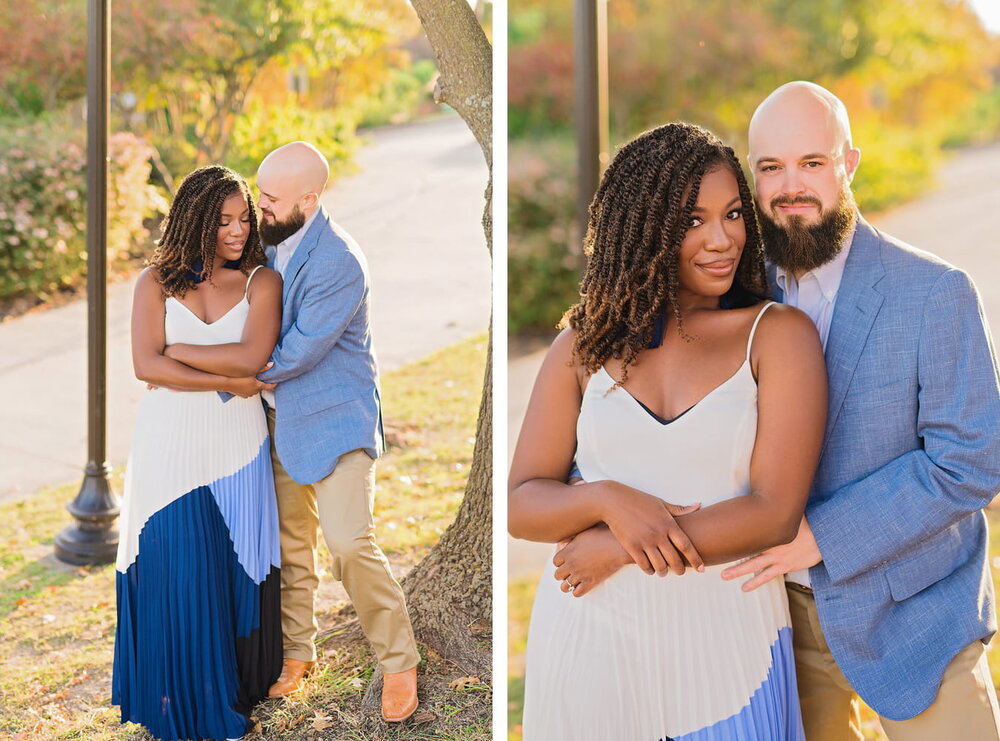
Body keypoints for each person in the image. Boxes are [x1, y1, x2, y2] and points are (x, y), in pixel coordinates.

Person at [509, 122, 828, 739]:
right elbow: (524, 504)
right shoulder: (582, 347)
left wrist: (614, 544)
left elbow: (773, 514)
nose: (722, 239)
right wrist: (606, 500)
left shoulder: (778, 336)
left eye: (733, 214)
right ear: (643, 227)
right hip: (590, 648)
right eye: (692, 221)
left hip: (728, 648)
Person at [719, 81, 1000, 740]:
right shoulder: (733, 292)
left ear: (849, 163)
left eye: (812, 163)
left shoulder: (936, 292)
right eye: (771, 167)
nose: (791, 185)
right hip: (777, 628)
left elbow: (972, 462)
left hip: (919, 620)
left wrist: (823, 536)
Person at [251, 142, 420, 722]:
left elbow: (295, 354)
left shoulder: (338, 261)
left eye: (270, 199)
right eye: (259, 193)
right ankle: (298, 654)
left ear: (310, 199)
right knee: (290, 546)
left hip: (337, 421)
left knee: (349, 543)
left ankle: (399, 662)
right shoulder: (268, 238)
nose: (260, 207)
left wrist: (215, 373)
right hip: (276, 422)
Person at [113, 165, 284, 741]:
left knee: (231, 567)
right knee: (176, 565)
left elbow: (253, 356)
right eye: (223, 221)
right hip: (168, 444)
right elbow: (144, 365)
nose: (237, 231)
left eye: (244, 218)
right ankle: (177, 704)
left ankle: (232, 692)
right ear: (194, 219)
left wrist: (181, 352)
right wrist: (225, 379)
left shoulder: (263, 281)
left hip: (238, 445)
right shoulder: (153, 282)